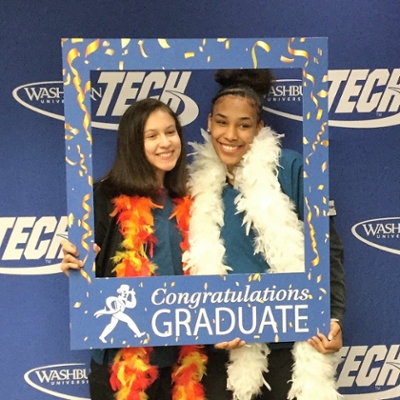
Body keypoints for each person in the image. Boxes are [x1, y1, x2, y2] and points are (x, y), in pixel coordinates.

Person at [183, 69, 345, 400]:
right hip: (224, 346)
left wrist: (334, 317)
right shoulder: (192, 183)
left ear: (259, 129)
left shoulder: (293, 169)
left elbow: (329, 249)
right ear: (209, 123)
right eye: (221, 122)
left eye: (243, 125)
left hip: (289, 339)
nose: (230, 134)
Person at [61, 98, 208, 400]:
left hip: (181, 363)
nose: (165, 143)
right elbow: (86, 262)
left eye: (171, 132)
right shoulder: (104, 196)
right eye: (151, 136)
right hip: (122, 365)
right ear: (133, 144)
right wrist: (74, 261)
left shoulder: (195, 195)